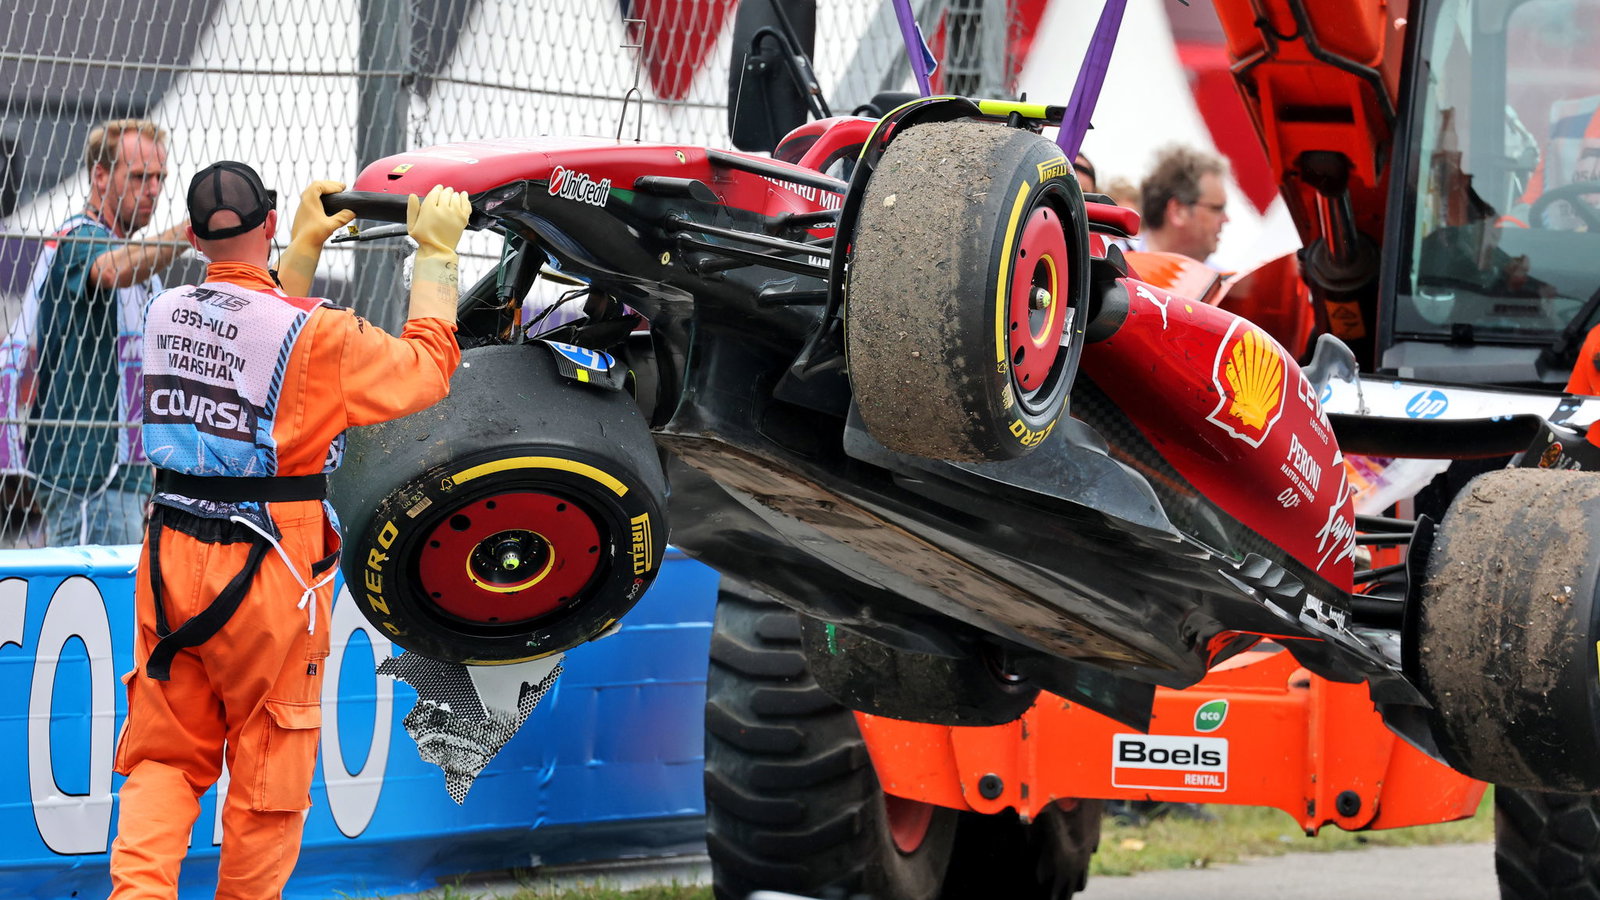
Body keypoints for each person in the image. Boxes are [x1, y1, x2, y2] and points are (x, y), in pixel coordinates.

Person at [107, 161, 470, 899]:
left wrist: (296, 255)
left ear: (195, 234)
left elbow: (251, 334)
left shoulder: (165, 310)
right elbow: (426, 371)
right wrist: (437, 254)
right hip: (271, 569)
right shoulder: (320, 336)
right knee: (270, 771)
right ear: (267, 224)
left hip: (171, 554)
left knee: (164, 756)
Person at [4, 119, 190, 546]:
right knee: (94, 608)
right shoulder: (79, 238)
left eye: (160, 178)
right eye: (140, 176)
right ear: (100, 176)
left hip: (121, 473)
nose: (154, 189)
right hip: (88, 475)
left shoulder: (138, 262)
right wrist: (187, 230)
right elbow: (109, 270)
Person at [1137, 144, 1231, 265]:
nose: (1226, 219)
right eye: (1217, 208)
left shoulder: (1223, 281)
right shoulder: (1111, 270)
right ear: (1178, 211)